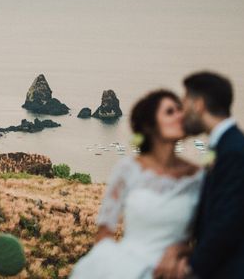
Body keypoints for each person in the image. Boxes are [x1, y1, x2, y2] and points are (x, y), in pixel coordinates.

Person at [154, 71, 244, 279]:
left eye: (185, 103)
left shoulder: (234, 152)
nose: (182, 113)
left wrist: (189, 268)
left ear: (199, 105)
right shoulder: (227, 146)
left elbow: (226, 224)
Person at [71, 90, 204, 279]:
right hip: (126, 267)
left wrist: (182, 253)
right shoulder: (128, 170)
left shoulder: (197, 176)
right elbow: (104, 233)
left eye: (180, 110)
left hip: (175, 270)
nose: (179, 115)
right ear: (150, 125)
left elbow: (210, 236)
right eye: (169, 112)